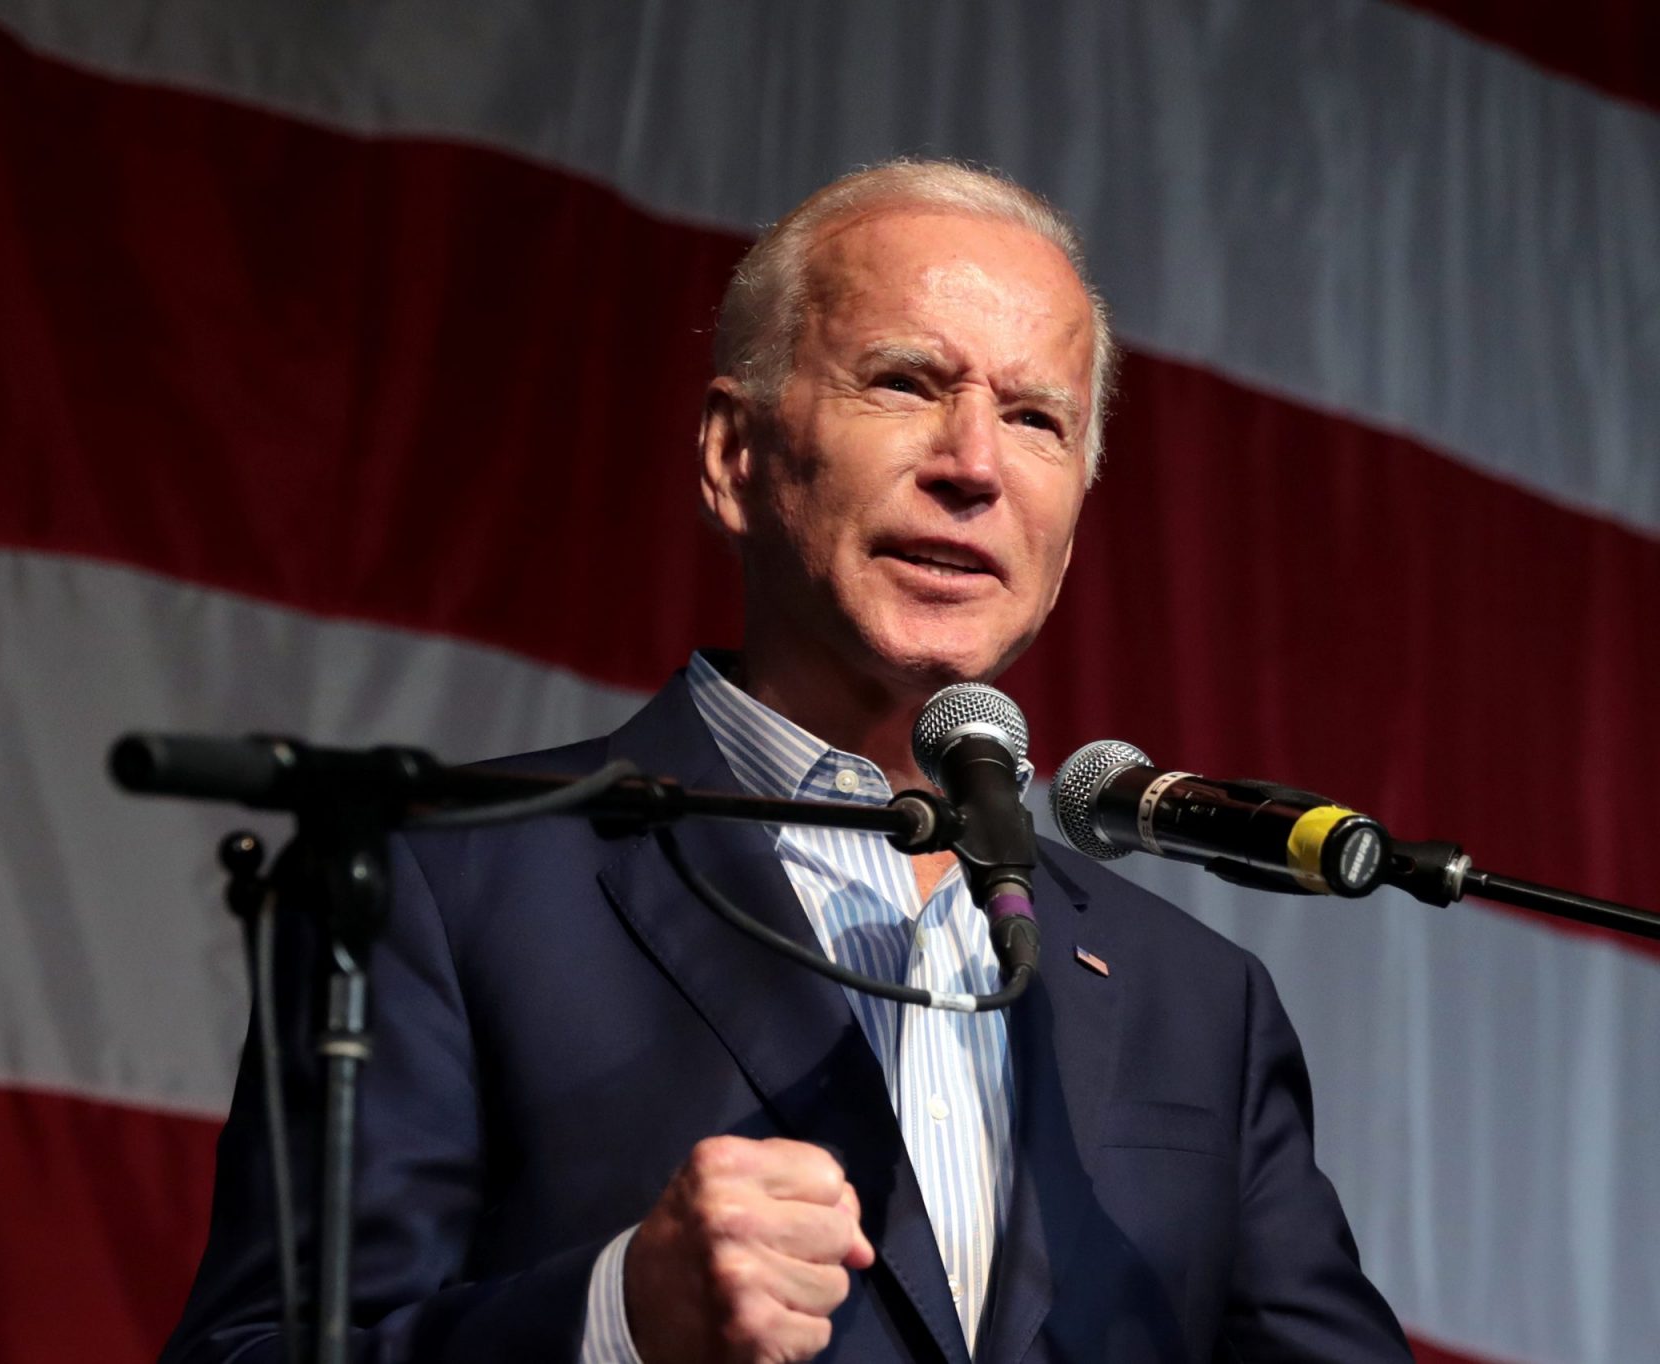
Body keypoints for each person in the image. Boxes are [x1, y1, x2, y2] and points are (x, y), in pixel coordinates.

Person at [164, 160, 1411, 1362]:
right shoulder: (450, 884)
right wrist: (615, 1318)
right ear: (733, 457)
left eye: (1034, 418)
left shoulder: (1195, 1001)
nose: (972, 464)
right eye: (905, 382)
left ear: (1069, 532)